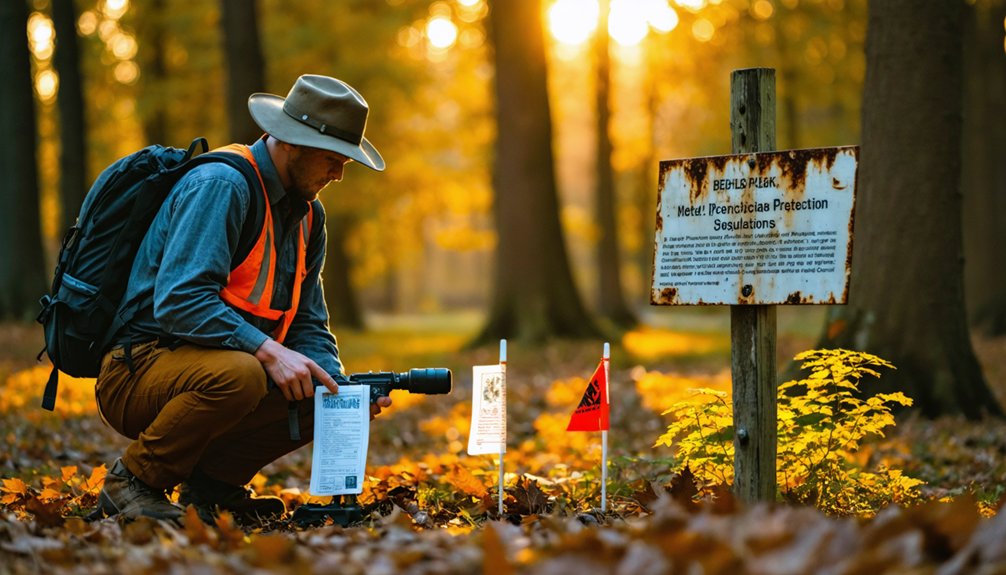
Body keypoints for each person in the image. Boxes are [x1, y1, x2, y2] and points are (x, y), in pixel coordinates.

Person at [93, 74, 391, 523]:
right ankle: (132, 482)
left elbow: (308, 321)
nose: (339, 173)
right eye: (332, 159)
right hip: (138, 371)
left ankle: (211, 489)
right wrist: (268, 350)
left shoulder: (309, 214)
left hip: (212, 369)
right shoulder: (222, 186)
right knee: (244, 373)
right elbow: (179, 300)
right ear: (292, 142)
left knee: (319, 392)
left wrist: (339, 393)